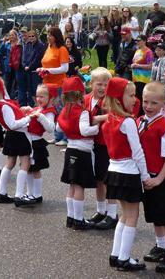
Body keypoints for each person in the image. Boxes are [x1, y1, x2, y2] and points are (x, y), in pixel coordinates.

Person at [102, 77, 149, 271]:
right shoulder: (128, 122)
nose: (135, 99)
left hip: (113, 170)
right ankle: (124, 257)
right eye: (130, 95)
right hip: (128, 172)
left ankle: (116, 254)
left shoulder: (109, 120)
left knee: (124, 215)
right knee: (132, 216)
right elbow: (137, 153)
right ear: (119, 98)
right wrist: (145, 176)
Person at [138, 82, 165, 272]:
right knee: (155, 215)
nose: (148, 106)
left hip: (159, 178)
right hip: (146, 176)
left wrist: (159, 178)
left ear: (164, 104)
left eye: (154, 103)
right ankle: (161, 245)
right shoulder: (140, 121)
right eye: (145, 102)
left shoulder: (164, 127)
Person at [0, 73, 35, 207]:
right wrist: (29, 118)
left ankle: (2, 193)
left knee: (9, 163)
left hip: (11, 136)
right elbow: (13, 124)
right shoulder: (2, 105)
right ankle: (19, 195)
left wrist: (21, 110)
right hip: (19, 134)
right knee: (25, 163)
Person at [57, 77, 99, 230]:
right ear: (81, 94)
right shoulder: (82, 112)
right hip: (82, 150)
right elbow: (85, 130)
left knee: (72, 186)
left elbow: (58, 128)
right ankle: (79, 220)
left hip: (70, 149)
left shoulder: (64, 110)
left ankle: (71, 217)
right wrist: (97, 128)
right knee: (80, 186)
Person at [85, 68, 118, 230]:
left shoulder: (110, 101)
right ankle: (101, 210)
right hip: (91, 144)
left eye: (106, 85)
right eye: (99, 84)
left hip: (106, 144)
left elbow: (118, 115)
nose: (102, 88)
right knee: (98, 179)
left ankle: (112, 214)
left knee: (108, 179)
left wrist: (100, 117)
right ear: (91, 84)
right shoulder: (86, 99)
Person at [23, 84, 57, 203]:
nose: (38, 99)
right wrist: (29, 110)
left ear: (51, 98)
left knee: (36, 170)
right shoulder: (39, 108)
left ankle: (37, 195)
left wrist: (41, 117)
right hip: (28, 142)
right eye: (37, 96)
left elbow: (51, 128)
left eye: (42, 96)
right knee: (28, 169)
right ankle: (29, 193)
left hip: (36, 142)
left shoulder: (49, 112)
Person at [37, 27, 69, 146]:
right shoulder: (49, 48)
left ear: (56, 36)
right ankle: (57, 136)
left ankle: (66, 137)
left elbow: (65, 68)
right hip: (48, 85)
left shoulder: (62, 49)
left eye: (50, 35)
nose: (48, 37)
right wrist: (41, 69)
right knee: (54, 111)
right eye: (47, 35)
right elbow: (45, 64)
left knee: (61, 110)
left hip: (59, 85)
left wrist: (48, 70)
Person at [21, 30, 45, 107]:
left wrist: (30, 66)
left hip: (35, 71)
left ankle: (39, 105)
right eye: (30, 36)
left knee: (36, 90)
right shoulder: (27, 45)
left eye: (33, 36)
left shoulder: (40, 46)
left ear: (36, 37)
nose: (31, 38)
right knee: (30, 90)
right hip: (27, 71)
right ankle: (35, 105)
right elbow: (24, 56)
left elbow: (37, 58)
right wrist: (24, 65)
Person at [131, 34, 154, 115]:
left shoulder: (148, 52)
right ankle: (137, 115)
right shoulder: (137, 51)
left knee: (141, 99)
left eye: (139, 40)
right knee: (136, 98)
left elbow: (150, 66)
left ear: (144, 41)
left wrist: (137, 66)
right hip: (135, 79)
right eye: (136, 41)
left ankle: (142, 115)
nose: (137, 42)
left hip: (144, 80)